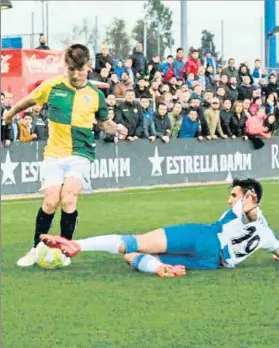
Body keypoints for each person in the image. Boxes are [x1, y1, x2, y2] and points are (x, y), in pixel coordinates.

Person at [4, 44, 128, 267]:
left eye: (80, 69)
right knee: (51, 201)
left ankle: (65, 249)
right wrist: (9, 115)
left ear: (88, 67)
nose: (76, 74)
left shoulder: (96, 95)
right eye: (72, 69)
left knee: (68, 198)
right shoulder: (51, 86)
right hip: (54, 153)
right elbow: (29, 101)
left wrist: (117, 128)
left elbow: (104, 124)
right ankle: (35, 248)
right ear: (66, 67)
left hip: (80, 154)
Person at [41, 178, 279, 278]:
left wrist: (249, 205)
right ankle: (159, 268)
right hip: (212, 263)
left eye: (234, 195)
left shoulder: (245, 208)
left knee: (137, 242)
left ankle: (77, 245)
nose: (230, 200)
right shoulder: (267, 234)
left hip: (203, 238)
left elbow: (250, 213)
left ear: (250, 196)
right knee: (131, 256)